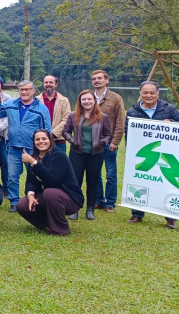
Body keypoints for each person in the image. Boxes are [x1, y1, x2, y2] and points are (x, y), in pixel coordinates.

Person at [125, 81, 179, 228]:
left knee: (167, 182)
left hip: (166, 154)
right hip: (144, 154)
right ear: (140, 93)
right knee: (140, 180)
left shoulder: (169, 109)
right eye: (145, 92)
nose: (148, 95)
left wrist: (172, 122)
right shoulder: (132, 111)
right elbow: (128, 132)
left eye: (152, 92)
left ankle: (170, 217)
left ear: (157, 94)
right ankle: (137, 214)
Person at [0, 80, 51, 213]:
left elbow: (47, 129)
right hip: (13, 147)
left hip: (33, 149)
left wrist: (44, 148)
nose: (24, 92)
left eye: (27, 90)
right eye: (21, 90)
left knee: (36, 175)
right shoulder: (11, 104)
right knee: (12, 176)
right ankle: (14, 201)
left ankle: (37, 199)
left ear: (33, 91)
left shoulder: (41, 108)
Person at [16, 129, 84, 236]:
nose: (41, 141)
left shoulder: (58, 155)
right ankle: (48, 224)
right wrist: (30, 195)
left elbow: (52, 179)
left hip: (70, 198)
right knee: (22, 205)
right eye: (37, 139)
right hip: (49, 196)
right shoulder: (34, 156)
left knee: (50, 192)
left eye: (44, 138)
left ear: (50, 140)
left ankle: (61, 229)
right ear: (34, 142)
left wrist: (34, 163)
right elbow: (30, 181)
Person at [62, 90, 112, 221]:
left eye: (89, 99)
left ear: (94, 100)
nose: (87, 102)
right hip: (77, 153)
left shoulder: (103, 117)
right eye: (83, 99)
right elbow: (65, 131)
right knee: (75, 182)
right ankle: (74, 208)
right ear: (80, 101)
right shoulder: (73, 115)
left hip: (95, 154)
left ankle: (90, 209)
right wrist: (73, 141)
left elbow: (108, 134)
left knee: (93, 182)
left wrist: (103, 142)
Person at [91, 69, 127, 213]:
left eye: (100, 78)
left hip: (109, 142)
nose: (97, 81)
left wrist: (115, 141)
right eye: (94, 79)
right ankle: (98, 200)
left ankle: (110, 202)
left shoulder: (116, 98)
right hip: (93, 142)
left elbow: (120, 122)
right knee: (95, 172)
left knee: (111, 172)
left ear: (107, 80)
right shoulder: (88, 97)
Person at [37, 75, 72, 152]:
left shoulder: (64, 100)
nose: (48, 84)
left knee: (59, 163)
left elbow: (66, 119)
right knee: (42, 163)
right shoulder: (36, 101)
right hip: (40, 140)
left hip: (58, 139)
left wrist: (52, 134)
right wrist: (42, 135)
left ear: (56, 84)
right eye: (46, 82)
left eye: (51, 82)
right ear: (43, 84)